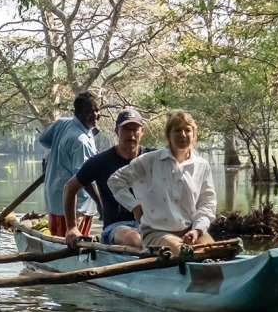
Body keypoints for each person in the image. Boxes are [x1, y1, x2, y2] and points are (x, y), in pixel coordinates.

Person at [107, 109, 216, 252]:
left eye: (187, 130)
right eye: (177, 130)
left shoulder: (202, 165)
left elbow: (207, 204)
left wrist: (197, 230)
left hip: (191, 231)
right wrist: (134, 206)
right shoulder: (150, 160)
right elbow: (115, 181)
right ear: (168, 135)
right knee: (183, 252)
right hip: (156, 232)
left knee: (214, 253)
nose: (183, 135)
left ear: (194, 133)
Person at [62, 107, 146, 248]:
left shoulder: (151, 158)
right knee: (135, 241)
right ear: (116, 131)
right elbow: (70, 188)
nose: (131, 134)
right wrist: (72, 227)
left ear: (142, 132)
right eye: (126, 129)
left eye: (135, 129)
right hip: (117, 227)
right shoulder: (101, 161)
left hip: (150, 224)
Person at [37, 90, 101, 237]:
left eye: (97, 110)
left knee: (59, 241)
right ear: (78, 113)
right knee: (70, 242)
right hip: (74, 208)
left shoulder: (62, 123)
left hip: (55, 199)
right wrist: (100, 204)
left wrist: (61, 152)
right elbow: (85, 179)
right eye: (89, 112)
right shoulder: (80, 141)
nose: (95, 115)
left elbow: (44, 140)